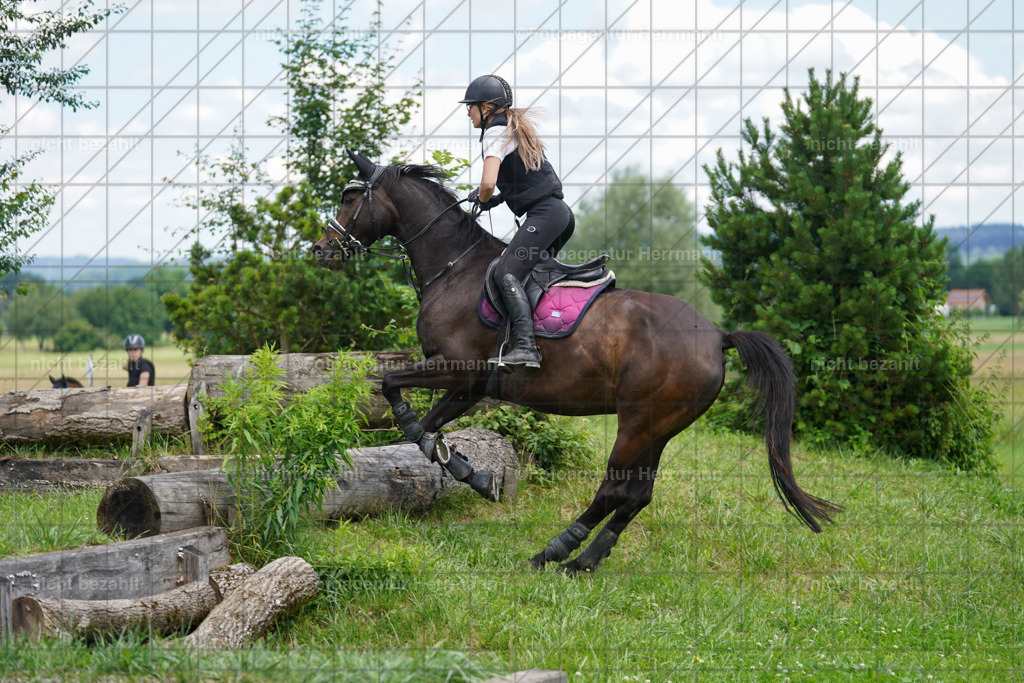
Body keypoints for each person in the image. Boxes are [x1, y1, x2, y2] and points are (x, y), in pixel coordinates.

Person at [460, 74, 575, 371]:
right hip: (558, 215)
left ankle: (526, 348)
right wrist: (499, 198)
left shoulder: (494, 133)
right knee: (526, 276)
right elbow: (522, 182)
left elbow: (487, 183)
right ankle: (543, 334)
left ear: (486, 107)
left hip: (545, 216)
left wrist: (485, 198)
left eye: (470, 107)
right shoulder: (510, 129)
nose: (468, 113)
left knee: (505, 272)